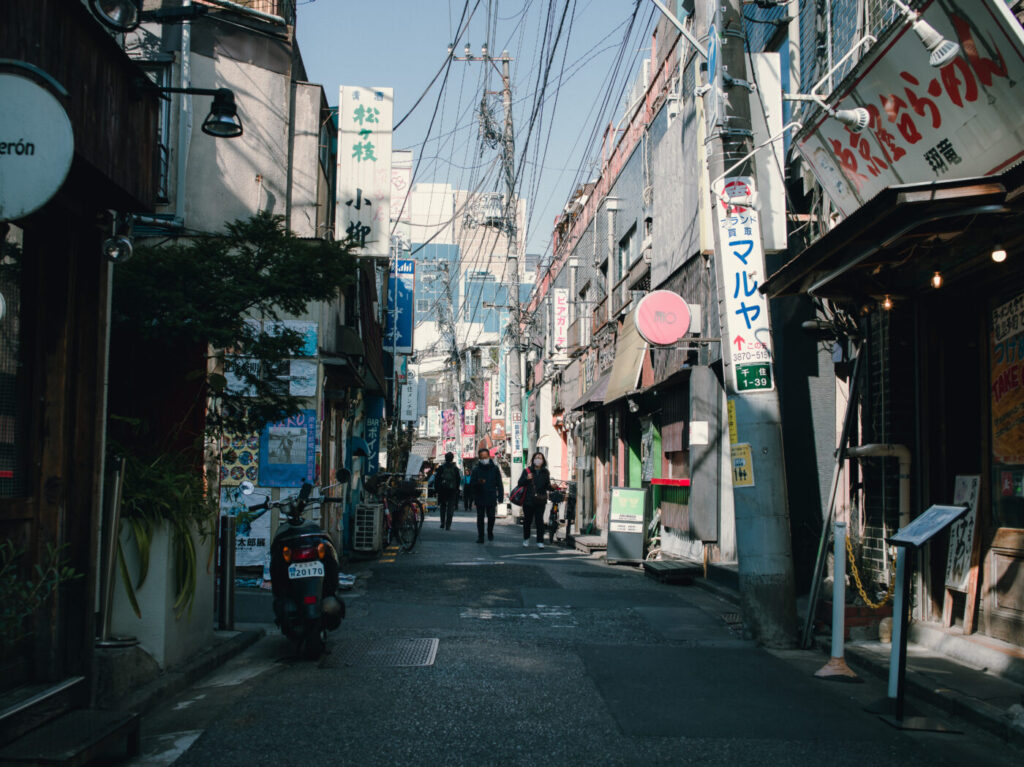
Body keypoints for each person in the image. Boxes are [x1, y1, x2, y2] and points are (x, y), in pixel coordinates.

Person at [517, 451, 553, 548]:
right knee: (527, 520)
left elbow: (547, 486)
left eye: (540, 458)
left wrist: (552, 487)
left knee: (539, 521)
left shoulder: (545, 472)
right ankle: (526, 539)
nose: (538, 459)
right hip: (528, 500)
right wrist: (526, 479)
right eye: (536, 457)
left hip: (541, 499)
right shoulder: (527, 471)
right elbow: (520, 483)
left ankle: (540, 541)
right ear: (533, 460)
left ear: (543, 460)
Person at [469, 447, 504, 543]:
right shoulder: (476, 469)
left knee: (491, 517)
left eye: (486, 456)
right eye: (482, 457)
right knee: (480, 518)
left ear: (489, 456)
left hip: (491, 496)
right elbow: (472, 484)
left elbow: (499, 483)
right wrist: (478, 483)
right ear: (479, 458)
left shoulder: (495, 469)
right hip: (480, 496)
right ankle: (481, 536)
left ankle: (490, 532)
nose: (484, 459)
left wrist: (500, 497)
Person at [434, 452, 461, 530]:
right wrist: (457, 489)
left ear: (445, 458)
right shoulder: (455, 468)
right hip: (452, 490)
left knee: (443, 506)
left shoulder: (441, 468)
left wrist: (437, 489)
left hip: (443, 489)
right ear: (452, 459)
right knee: (450, 507)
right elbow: (458, 479)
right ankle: (448, 524)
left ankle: (442, 522)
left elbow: (437, 479)